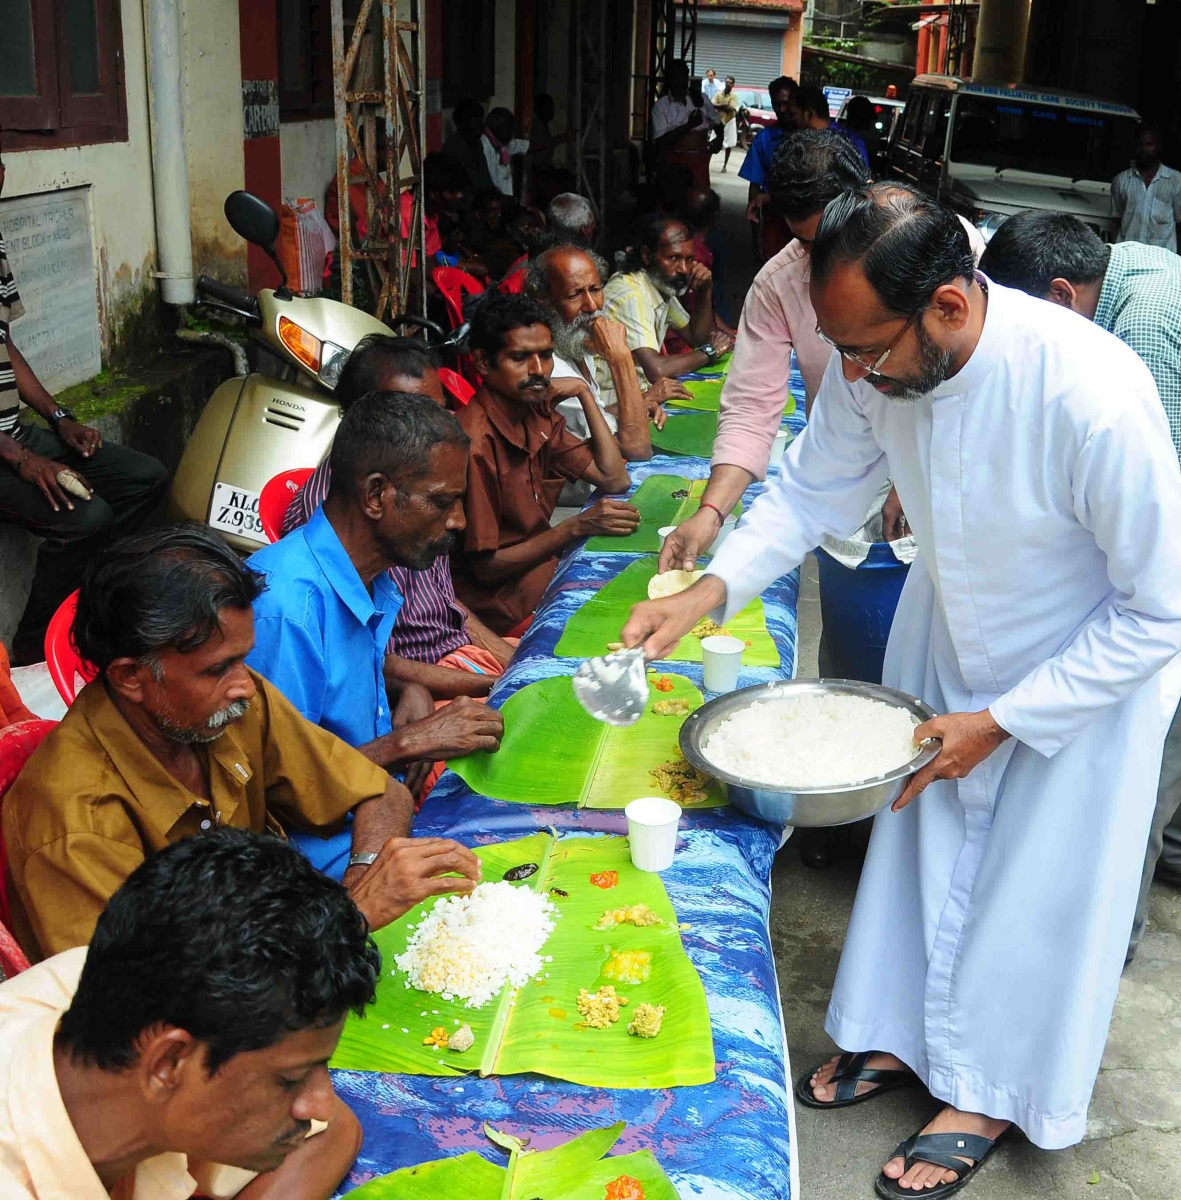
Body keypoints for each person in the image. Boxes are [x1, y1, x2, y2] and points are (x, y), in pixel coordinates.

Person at [624, 183, 1181, 1195]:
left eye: (866, 351)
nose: (851, 374)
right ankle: (894, 1037)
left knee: (1032, 889)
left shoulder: (1089, 394)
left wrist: (1006, 721)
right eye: (839, 350)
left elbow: (1160, 607)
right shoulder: (873, 361)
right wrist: (709, 588)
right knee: (921, 849)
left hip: (1080, 670)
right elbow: (810, 487)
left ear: (949, 307)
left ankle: (989, 1090)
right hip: (949, 622)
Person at [2, 523, 480, 958]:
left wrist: (363, 880)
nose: (245, 684)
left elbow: (380, 791)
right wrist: (349, 919)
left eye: (240, 659)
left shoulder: (230, 705)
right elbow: (150, 1017)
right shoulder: (76, 825)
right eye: (216, 669)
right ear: (131, 677)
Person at [979, 209, 1181, 954]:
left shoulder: (1144, 329)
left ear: (1060, 298)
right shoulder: (1122, 267)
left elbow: (1153, 504)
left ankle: (1104, 949)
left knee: (1144, 762)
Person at [0, 828, 377, 1199]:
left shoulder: (131, 981)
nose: (321, 1103)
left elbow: (334, 1131)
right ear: (168, 1063)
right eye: (290, 1079)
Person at [248, 393, 504, 860]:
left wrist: (405, 692)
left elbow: (341, 683)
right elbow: (275, 796)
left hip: (379, 813)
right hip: (326, 861)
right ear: (375, 496)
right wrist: (407, 742)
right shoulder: (285, 610)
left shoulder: (371, 575)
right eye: (441, 501)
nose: (458, 520)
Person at [661, 131, 870, 577]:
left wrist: (910, 481)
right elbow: (752, 408)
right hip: (848, 482)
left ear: (863, 200)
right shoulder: (780, 282)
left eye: (832, 236)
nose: (822, 257)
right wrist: (711, 512)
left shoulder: (931, 249)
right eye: (806, 243)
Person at [0, 154, 169, 666]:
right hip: (5, 451)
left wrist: (58, 417)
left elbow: (5, 343)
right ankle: (34, 648)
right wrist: (23, 459)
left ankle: (97, 605)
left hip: (15, 433)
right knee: (86, 518)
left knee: (145, 477)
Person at [283, 335, 518, 703]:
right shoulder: (344, 515)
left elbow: (450, 610)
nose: (435, 426)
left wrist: (514, 664)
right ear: (369, 417)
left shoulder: (426, 486)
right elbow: (374, 660)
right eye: (411, 412)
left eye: (439, 411)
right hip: (423, 684)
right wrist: (496, 685)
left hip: (455, 662)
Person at [451, 294, 639, 635]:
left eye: (546, 356)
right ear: (481, 363)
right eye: (520, 358)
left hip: (544, 573)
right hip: (504, 606)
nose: (538, 371)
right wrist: (575, 527)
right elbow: (486, 569)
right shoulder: (475, 444)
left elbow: (614, 478)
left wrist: (583, 392)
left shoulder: (533, 412)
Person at [527, 242, 688, 457]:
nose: (592, 306)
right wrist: (620, 357)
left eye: (595, 290)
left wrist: (640, 403)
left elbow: (596, 416)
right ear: (544, 302)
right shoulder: (548, 369)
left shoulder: (575, 343)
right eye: (575, 295)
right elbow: (637, 450)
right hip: (587, 489)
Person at [597, 214, 733, 403]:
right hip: (611, 405)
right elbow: (656, 370)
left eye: (689, 259)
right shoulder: (632, 294)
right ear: (646, 255)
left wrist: (705, 290)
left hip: (638, 396)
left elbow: (697, 338)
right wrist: (710, 351)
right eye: (674, 258)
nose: (684, 269)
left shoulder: (658, 285)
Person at [740, 75, 798, 260]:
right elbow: (754, 188)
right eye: (776, 104)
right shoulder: (764, 139)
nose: (782, 110)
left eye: (787, 103)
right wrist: (755, 236)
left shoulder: (815, 136)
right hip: (774, 223)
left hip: (806, 221)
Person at [1111, 122, 1181, 251]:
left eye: (1149, 145)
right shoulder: (1121, 181)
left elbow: (1179, 222)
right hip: (1129, 256)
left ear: (1158, 147)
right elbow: (1117, 221)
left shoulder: (1176, 181)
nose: (1143, 149)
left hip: (1161, 260)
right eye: (1140, 145)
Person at [650, 61, 719, 188]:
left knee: (699, 201)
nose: (681, 81)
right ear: (669, 79)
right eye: (676, 77)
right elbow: (660, 141)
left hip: (699, 165)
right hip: (672, 167)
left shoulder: (701, 99)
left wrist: (718, 141)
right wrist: (689, 126)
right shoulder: (661, 106)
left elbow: (718, 123)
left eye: (684, 76)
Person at [790, 84, 870, 169]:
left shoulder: (853, 143)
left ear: (808, 113)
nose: (790, 118)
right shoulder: (797, 142)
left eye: (793, 114)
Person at [441, 97, 494, 193]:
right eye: (474, 121)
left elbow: (486, 181)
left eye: (480, 120)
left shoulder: (476, 144)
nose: (479, 126)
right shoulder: (453, 149)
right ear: (460, 123)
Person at [483, 108, 531, 198]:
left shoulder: (501, 143)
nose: (512, 133)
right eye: (508, 127)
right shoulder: (485, 146)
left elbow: (524, 146)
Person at [711, 77, 740, 173]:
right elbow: (712, 104)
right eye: (727, 82)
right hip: (718, 121)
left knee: (729, 145)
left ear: (733, 85)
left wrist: (719, 106)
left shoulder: (734, 96)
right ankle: (708, 162)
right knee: (712, 141)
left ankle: (724, 165)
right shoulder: (719, 94)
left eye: (730, 83)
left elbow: (731, 108)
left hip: (729, 120)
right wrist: (723, 105)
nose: (728, 84)